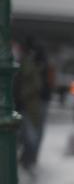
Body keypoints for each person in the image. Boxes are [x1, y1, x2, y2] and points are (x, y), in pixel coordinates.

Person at [13, 39, 45, 173]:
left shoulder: (28, 66)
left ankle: (26, 160)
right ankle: (25, 160)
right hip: (23, 105)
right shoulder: (23, 65)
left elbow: (36, 86)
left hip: (27, 105)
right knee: (27, 136)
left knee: (30, 136)